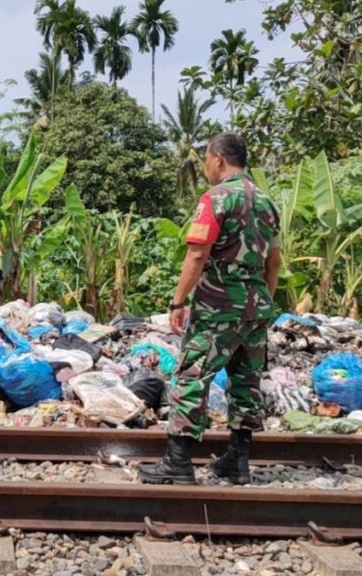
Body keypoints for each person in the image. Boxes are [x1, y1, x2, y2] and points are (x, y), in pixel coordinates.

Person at [140, 133, 281, 485]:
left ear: (218, 158)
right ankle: (238, 460)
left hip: (217, 305)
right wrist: (258, 301)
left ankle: (178, 461)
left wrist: (178, 300)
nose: (205, 166)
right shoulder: (267, 203)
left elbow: (198, 253)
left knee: (191, 376)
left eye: (206, 159)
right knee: (246, 382)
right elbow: (274, 263)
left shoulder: (216, 198)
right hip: (256, 307)